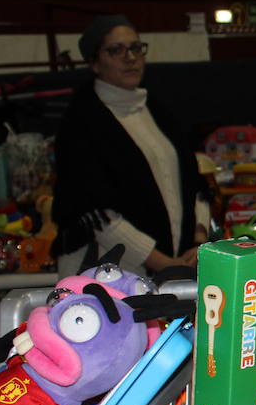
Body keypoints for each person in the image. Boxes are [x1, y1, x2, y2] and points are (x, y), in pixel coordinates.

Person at [53, 15, 208, 275]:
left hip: (176, 265)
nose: (130, 57)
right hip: (109, 276)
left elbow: (193, 186)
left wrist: (198, 240)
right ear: (94, 62)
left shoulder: (159, 113)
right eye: (116, 50)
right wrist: (162, 262)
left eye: (136, 48)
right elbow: (94, 213)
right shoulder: (81, 122)